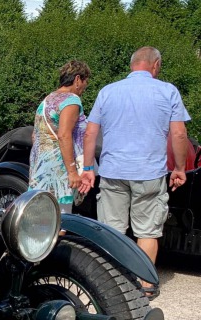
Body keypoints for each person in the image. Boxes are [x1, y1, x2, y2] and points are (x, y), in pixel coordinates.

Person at [79, 46, 190, 295]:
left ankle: (111, 285)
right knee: (147, 230)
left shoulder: (108, 91)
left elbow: (90, 132)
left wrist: (87, 167)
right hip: (149, 172)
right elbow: (179, 134)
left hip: (113, 171)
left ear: (132, 65)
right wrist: (180, 169)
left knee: (111, 229)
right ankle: (146, 285)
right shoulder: (167, 91)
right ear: (156, 64)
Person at [28, 60, 91, 214]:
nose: (85, 87)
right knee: (61, 222)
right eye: (85, 82)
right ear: (77, 79)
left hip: (40, 168)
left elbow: (34, 136)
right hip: (58, 171)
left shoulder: (47, 99)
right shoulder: (71, 100)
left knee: (41, 221)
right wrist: (72, 172)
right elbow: (64, 135)